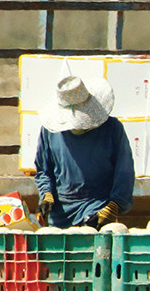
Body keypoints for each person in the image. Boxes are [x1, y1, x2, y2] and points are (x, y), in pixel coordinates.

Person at [35, 75, 133, 228]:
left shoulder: (112, 129)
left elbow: (124, 171)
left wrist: (113, 207)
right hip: (61, 212)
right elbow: (43, 170)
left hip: (98, 206)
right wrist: (47, 196)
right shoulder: (49, 132)